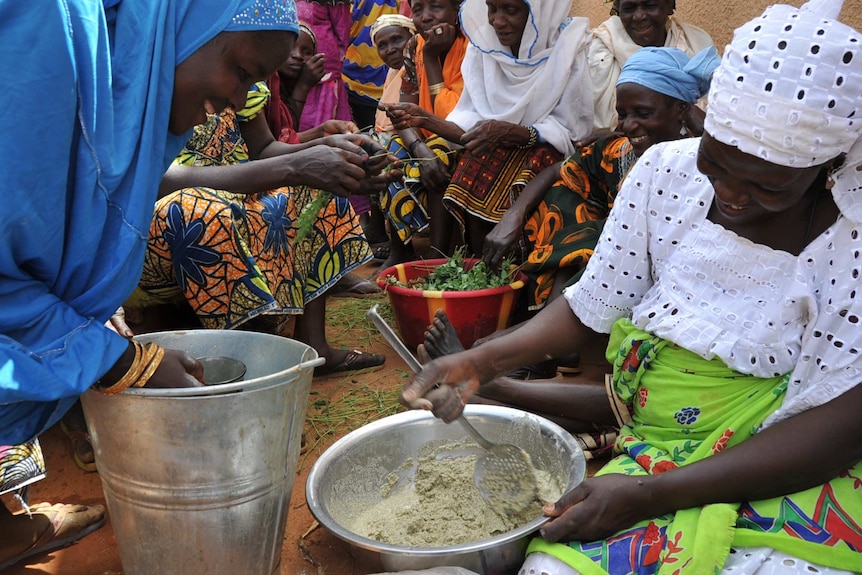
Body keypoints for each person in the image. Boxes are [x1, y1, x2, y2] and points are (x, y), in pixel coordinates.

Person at [403, 0, 862, 573]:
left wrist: (650, 496)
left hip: (783, 457)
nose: (732, 196)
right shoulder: (664, 172)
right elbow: (594, 302)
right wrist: (483, 362)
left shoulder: (851, 236)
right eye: (715, 165)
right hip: (654, 448)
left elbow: (843, 425)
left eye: (768, 187)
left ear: (828, 165)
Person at [0, 0, 362, 569]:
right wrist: (121, 363)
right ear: (188, 22)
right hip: (170, 212)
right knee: (205, 216)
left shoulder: (132, 82)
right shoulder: (50, 38)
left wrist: (305, 158)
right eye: (242, 73)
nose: (241, 99)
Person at [419, 45, 719, 442]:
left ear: (681, 110)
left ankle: (490, 383)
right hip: (618, 279)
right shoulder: (621, 151)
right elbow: (564, 171)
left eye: (643, 114)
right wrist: (514, 216)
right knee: (576, 228)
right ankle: (483, 359)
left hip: (665, 301)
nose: (629, 125)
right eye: (623, 114)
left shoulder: (707, 166)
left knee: (623, 400)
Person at [132, 82, 392, 375]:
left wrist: (324, 149)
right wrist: (295, 166)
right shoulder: (146, 75)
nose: (242, 94)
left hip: (240, 196)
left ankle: (313, 347)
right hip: (148, 227)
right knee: (199, 211)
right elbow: (155, 180)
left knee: (316, 186)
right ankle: (243, 367)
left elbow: (264, 148)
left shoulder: (237, 78)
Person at [393, 0, 594, 258]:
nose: (497, 21)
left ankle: (522, 272)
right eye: (492, 9)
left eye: (511, 10)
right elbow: (471, 124)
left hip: (547, 149)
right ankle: (479, 265)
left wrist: (509, 132)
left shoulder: (567, 47)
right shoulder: (485, 45)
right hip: (495, 144)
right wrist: (425, 120)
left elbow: (571, 132)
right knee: (472, 162)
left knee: (516, 164)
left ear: (538, 12)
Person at [375, 0, 468, 267]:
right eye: (418, 9)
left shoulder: (473, 45)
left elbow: (451, 116)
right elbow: (402, 112)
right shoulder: (413, 47)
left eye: (436, 6)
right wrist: (417, 147)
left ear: (456, 10)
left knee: (438, 155)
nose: (426, 17)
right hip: (423, 135)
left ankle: (438, 254)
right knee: (388, 155)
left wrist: (431, 56)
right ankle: (400, 248)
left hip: (461, 133)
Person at [589, 0, 713, 131]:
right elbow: (595, 124)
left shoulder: (694, 43)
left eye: (650, 6)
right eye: (629, 8)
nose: (639, 16)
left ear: (670, 6)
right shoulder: (600, 51)